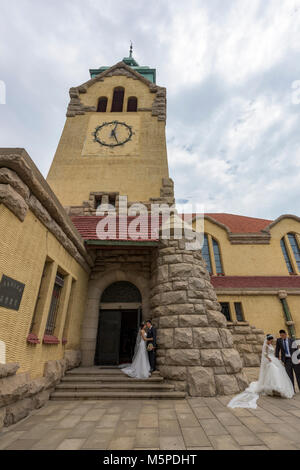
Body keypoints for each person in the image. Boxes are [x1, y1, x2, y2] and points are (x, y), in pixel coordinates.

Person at [228, 334, 294, 409]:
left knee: (278, 371)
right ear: (268, 340)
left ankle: (276, 388)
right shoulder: (266, 345)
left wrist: (276, 358)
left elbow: (273, 352)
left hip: (274, 359)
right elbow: (265, 354)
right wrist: (268, 358)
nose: (271, 342)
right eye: (270, 341)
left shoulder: (270, 345)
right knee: (274, 370)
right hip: (270, 360)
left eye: (272, 341)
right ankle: (275, 387)